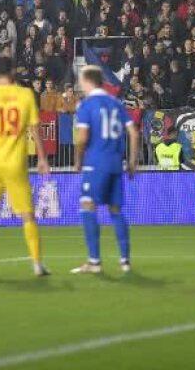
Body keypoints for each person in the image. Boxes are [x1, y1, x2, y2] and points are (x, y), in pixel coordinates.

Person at [0, 55, 50, 278]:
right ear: (13, 72)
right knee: (27, 215)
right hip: (15, 163)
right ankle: (36, 264)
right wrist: (42, 158)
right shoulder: (25, 95)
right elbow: (35, 130)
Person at [70, 65, 139, 275]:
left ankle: (94, 261)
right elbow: (134, 133)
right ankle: (125, 261)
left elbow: (82, 139)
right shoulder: (116, 103)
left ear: (88, 81)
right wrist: (133, 162)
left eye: (82, 81)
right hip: (116, 163)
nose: (80, 85)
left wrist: (78, 161)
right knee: (116, 210)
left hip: (95, 163)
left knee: (87, 206)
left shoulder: (87, 105)